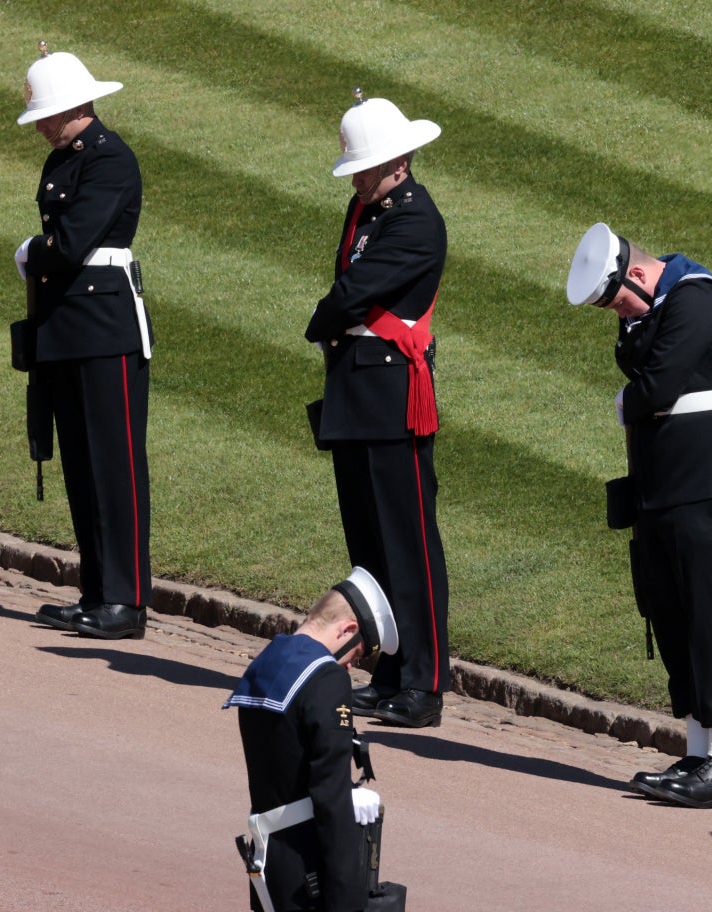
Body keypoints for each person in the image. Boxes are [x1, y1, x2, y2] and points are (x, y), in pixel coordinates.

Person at [566, 223, 712, 809]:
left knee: (708, 613)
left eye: (617, 300)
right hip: (667, 487)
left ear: (636, 272)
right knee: (670, 611)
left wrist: (629, 399)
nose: (617, 314)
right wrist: (632, 328)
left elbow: (653, 388)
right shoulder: (655, 309)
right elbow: (639, 365)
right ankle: (700, 748)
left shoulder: (697, 298)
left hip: (711, 485)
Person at [305, 90, 450, 729]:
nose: (357, 179)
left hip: (391, 392)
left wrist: (322, 319)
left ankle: (425, 681)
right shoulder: (368, 208)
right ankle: (389, 669)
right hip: (357, 387)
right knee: (369, 543)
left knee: (409, 543)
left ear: (398, 162)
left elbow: (354, 291)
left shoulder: (415, 219)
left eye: (364, 168)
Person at [17, 43, 153, 640]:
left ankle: (125, 599)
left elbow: (69, 245)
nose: (42, 126)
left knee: (114, 465)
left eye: (47, 115)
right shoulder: (65, 159)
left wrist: (31, 253)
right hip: (69, 326)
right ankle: (97, 591)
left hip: (104, 327)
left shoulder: (109, 158)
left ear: (76, 107)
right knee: (80, 462)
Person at [225, 568, 399, 912]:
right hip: (309, 869)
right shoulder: (327, 678)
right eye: (357, 654)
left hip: (269, 854)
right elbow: (330, 798)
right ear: (347, 630)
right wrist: (347, 898)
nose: (351, 666)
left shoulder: (269, 659)